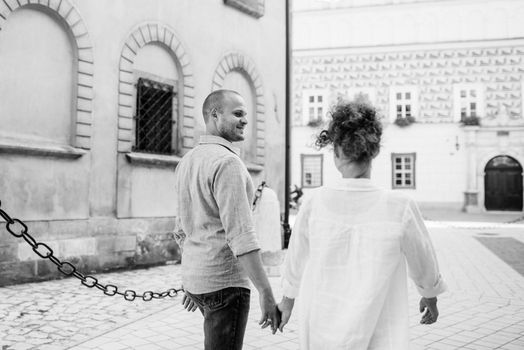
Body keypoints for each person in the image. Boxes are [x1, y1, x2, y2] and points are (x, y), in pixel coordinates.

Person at [277, 100, 447, 349]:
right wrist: (429, 295)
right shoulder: (400, 206)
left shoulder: (314, 202)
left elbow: (295, 260)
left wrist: (287, 302)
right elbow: (423, 259)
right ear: (375, 150)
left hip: (322, 327)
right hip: (378, 328)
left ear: (335, 151)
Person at [173, 89, 280, 350]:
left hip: (198, 283)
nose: (245, 120)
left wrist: (192, 277)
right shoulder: (228, 163)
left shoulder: (186, 162)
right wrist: (266, 292)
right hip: (226, 284)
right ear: (215, 115)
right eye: (238, 114)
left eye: (246, 114)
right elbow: (241, 236)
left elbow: (180, 230)